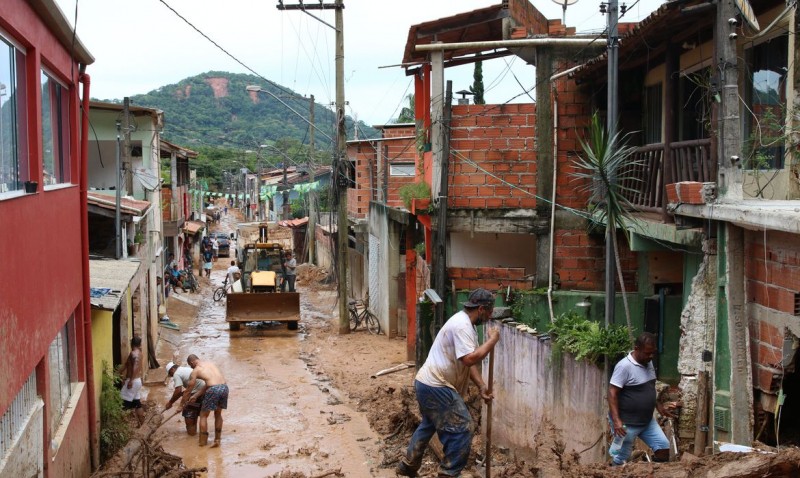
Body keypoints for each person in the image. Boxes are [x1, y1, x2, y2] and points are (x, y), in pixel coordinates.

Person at [397, 288, 500, 478]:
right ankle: (449, 472)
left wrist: (481, 386)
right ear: (481, 309)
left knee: (429, 423)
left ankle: (408, 466)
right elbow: (470, 359)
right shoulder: (462, 326)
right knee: (463, 427)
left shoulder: (464, 323)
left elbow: (466, 363)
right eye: (490, 310)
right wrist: (492, 341)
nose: (491, 315)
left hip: (426, 382)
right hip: (436, 385)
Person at [608, 332, 677, 465]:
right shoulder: (624, 366)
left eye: (653, 353)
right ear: (636, 348)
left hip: (646, 422)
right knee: (621, 459)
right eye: (647, 353)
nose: (650, 356)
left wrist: (658, 406)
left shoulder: (648, 362)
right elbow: (612, 393)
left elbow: (649, 388)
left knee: (664, 450)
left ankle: (647, 471)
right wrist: (616, 421)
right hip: (626, 424)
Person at [179, 354, 229, 447]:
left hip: (213, 390)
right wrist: (196, 395)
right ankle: (217, 440)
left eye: (190, 365)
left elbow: (188, 390)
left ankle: (203, 442)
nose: (191, 367)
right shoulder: (210, 364)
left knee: (203, 416)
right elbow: (210, 383)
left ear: (192, 362)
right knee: (218, 414)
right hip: (224, 387)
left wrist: (181, 406)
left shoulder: (196, 370)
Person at [165, 361, 206, 435]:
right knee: (195, 414)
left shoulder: (176, 374)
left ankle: (191, 436)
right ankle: (195, 436)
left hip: (196, 394)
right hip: (204, 391)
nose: (171, 376)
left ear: (172, 370)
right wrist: (182, 394)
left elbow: (178, 390)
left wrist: (170, 402)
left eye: (170, 374)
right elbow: (184, 390)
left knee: (188, 416)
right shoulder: (185, 369)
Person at [118, 336, 145, 426]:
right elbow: (126, 365)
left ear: (131, 344)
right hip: (137, 382)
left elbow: (136, 366)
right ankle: (142, 425)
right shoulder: (137, 353)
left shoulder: (134, 353)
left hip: (133, 382)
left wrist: (131, 381)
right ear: (140, 344)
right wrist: (117, 373)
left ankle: (120, 428)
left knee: (122, 404)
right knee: (137, 404)